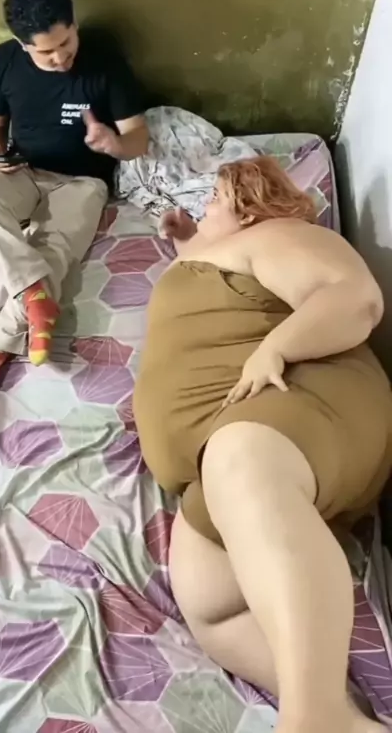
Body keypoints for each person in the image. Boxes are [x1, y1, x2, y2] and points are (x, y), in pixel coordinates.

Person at [134, 156, 392, 733]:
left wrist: (274, 349)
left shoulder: (279, 235)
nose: (203, 207)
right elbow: (215, 278)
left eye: (213, 199)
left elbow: (355, 297)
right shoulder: (221, 251)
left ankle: (314, 717)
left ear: (249, 208)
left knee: (240, 463)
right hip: (228, 450)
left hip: (298, 402)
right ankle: (347, 718)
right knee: (210, 605)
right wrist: (185, 238)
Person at [0, 0, 148, 403]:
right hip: (24, 172)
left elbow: (138, 138)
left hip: (82, 182)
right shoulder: (2, 62)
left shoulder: (106, 62)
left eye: (66, 42)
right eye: (46, 52)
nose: (61, 57)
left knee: (52, 250)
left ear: (74, 25)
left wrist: (114, 144)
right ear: (23, 45)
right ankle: (34, 295)